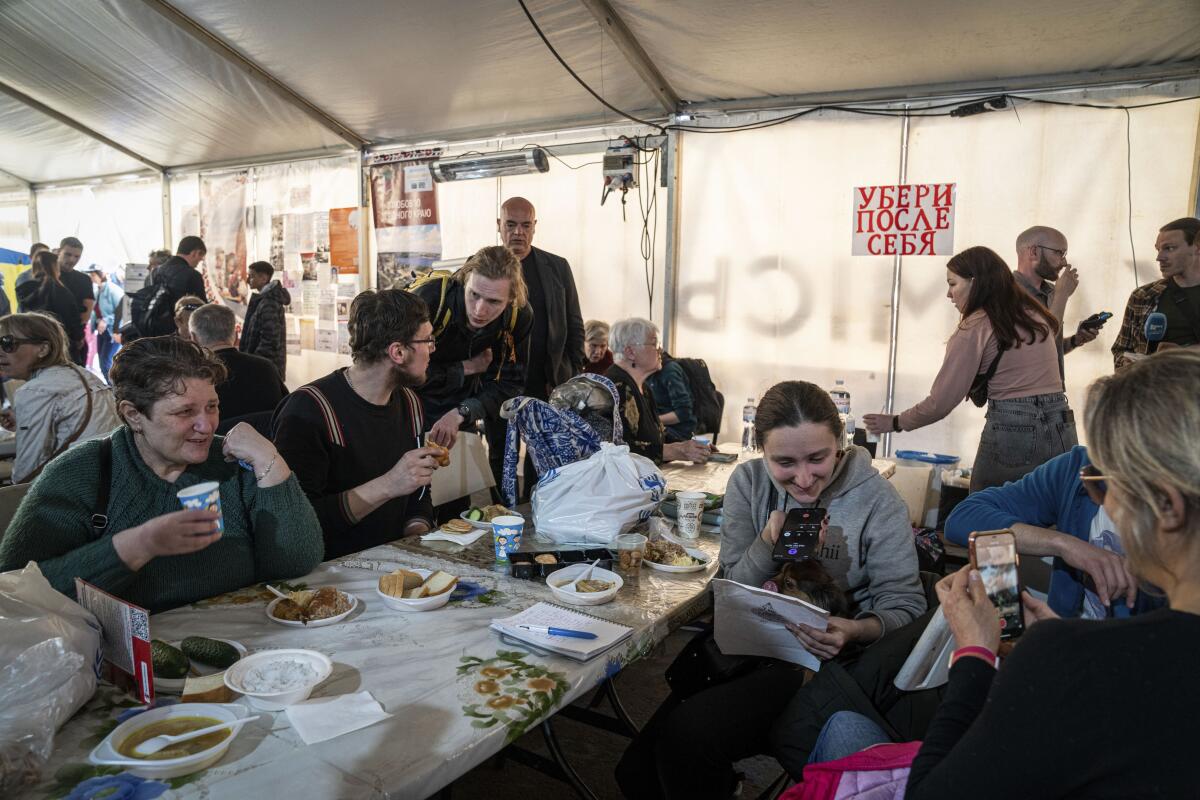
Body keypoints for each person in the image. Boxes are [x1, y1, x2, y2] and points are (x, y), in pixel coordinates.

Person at [854, 348, 1200, 798]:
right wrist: (1062, 545)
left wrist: (976, 656)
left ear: (1167, 507)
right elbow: (967, 518)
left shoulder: (1079, 661)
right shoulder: (1071, 473)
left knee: (848, 733)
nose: (1102, 500)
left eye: (1108, 488)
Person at [615, 379, 925, 798]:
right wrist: (767, 547)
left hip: (824, 664)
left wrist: (853, 629)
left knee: (688, 737)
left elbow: (905, 606)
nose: (803, 479)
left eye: (818, 458)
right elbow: (727, 591)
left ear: (840, 442)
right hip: (750, 647)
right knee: (635, 772)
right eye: (785, 463)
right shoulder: (749, 483)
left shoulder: (878, 501)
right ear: (762, 451)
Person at [0, 336, 323, 613]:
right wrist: (135, 546)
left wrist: (271, 461)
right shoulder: (82, 473)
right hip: (124, 667)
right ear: (133, 415)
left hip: (243, 644)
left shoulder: (233, 459)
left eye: (212, 407)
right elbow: (15, 592)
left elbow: (295, 563)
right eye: (185, 411)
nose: (207, 425)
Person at [863, 246, 1074, 492]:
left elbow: (940, 402)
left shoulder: (976, 327)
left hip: (1015, 430)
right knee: (1051, 513)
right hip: (1062, 426)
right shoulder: (1035, 316)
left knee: (984, 517)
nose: (948, 294)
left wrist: (897, 422)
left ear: (975, 283)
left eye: (953, 284)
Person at [271, 289, 440, 559]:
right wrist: (388, 484)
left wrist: (416, 532)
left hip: (396, 563)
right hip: (331, 575)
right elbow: (296, 523)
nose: (432, 350)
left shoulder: (410, 403)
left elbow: (419, 490)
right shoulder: (309, 411)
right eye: (427, 341)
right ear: (398, 351)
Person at [945, 445, 1163, 619]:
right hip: (1060, 645)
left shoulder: (1181, 503)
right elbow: (963, 517)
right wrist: (1064, 545)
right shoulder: (1077, 469)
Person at [413, 245, 532, 492]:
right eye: (474, 295)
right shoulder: (430, 302)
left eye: (493, 302)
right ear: (465, 280)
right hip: (411, 407)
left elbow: (509, 384)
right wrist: (465, 368)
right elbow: (400, 374)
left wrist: (462, 412)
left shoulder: (517, 317)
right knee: (412, 500)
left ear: (510, 299)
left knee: (455, 500)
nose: (479, 310)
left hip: (461, 407)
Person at [0, 313, 121, 483]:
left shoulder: (35, 390)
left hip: (80, 491)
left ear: (43, 349)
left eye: (7, 343)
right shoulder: (83, 374)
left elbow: (26, 471)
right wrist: (22, 418)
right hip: (111, 480)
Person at [497, 197, 585, 398]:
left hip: (549, 382)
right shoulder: (482, 266)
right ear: (498, 225)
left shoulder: (558, 267)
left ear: (534, 227)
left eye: (526, 225)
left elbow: (575, 324)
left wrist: (571, 373)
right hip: (498, 385)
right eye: (510, 224)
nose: (518, 232)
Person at [605, 317, 710, 464]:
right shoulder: (617, 388)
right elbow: (621, 450)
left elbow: (656, 434)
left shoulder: (643, 386)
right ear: (630, 352)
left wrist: (691, 446)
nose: (660, 349)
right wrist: (676, 450)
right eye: (654, 343)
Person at [1111, 217, 1200, 369]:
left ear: (1197, 248)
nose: (1159, 257)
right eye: (1158, 249)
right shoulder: (1143, 296)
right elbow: (1121, 349)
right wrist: (1126, 365)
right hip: (1152, 390)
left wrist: (1181, 355)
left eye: (1169, 248)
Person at [1012, 226, 1100, 378]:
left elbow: (1051, 348)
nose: (1065, 262)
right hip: (1022, 397)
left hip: (1054, 393)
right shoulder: (1007, 292)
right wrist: (1062, 295)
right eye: (1059, 252)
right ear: (1034, 252)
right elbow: (1039, 344)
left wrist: (1075, 340)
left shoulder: (1052, 291)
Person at [188, 303, 287, 426]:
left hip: (218, 444)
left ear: (193, 338)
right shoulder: (267, 368)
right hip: (269, 443)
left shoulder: (196, 376)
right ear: (235, 335)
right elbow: (285, 411)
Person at [16, 251, 84, 348]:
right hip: (57, 342)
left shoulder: (23, 288)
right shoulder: (59, 290)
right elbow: (70, 317)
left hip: (30, 341)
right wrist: (78, 337)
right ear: (54, 267)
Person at [240, 260, 290, 380]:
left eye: (251, 276)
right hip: (263, 367)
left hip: (265, 370)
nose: (248, 280)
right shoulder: (264, 300)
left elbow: (270, 340)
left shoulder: (269, 303)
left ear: (263, 278)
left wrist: (253, 362)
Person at [52, 237, 94, 365]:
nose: (72, 260)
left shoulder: (83, 279)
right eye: (68, 254)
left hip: (73, 338)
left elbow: (87, 310)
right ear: (59, 251)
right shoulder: (47, 277)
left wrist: (78, 334)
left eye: (77, 256)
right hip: (48, 337)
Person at [646, 353, 697, 442]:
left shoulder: (670, 371)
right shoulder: (646, 373)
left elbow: (683, 413)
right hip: (661, 426)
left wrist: (650, 421)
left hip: (679, 430)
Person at [86, 266, 125, 382]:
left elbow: (122, 310)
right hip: (101, 331)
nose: (91, 278)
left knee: (106, 362)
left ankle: (114, 388)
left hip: (112, 331)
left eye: (93, 275)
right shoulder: (98, 290)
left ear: (100, 275)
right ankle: (111, 387)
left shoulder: (113, 290)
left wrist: (107, 321)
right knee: (102, 361)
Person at [151, 236, 209, 300]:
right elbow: (202, 308)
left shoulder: (156, 271)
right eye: (201, 255)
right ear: (194, 253)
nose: (201, 259)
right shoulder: (193, 275)